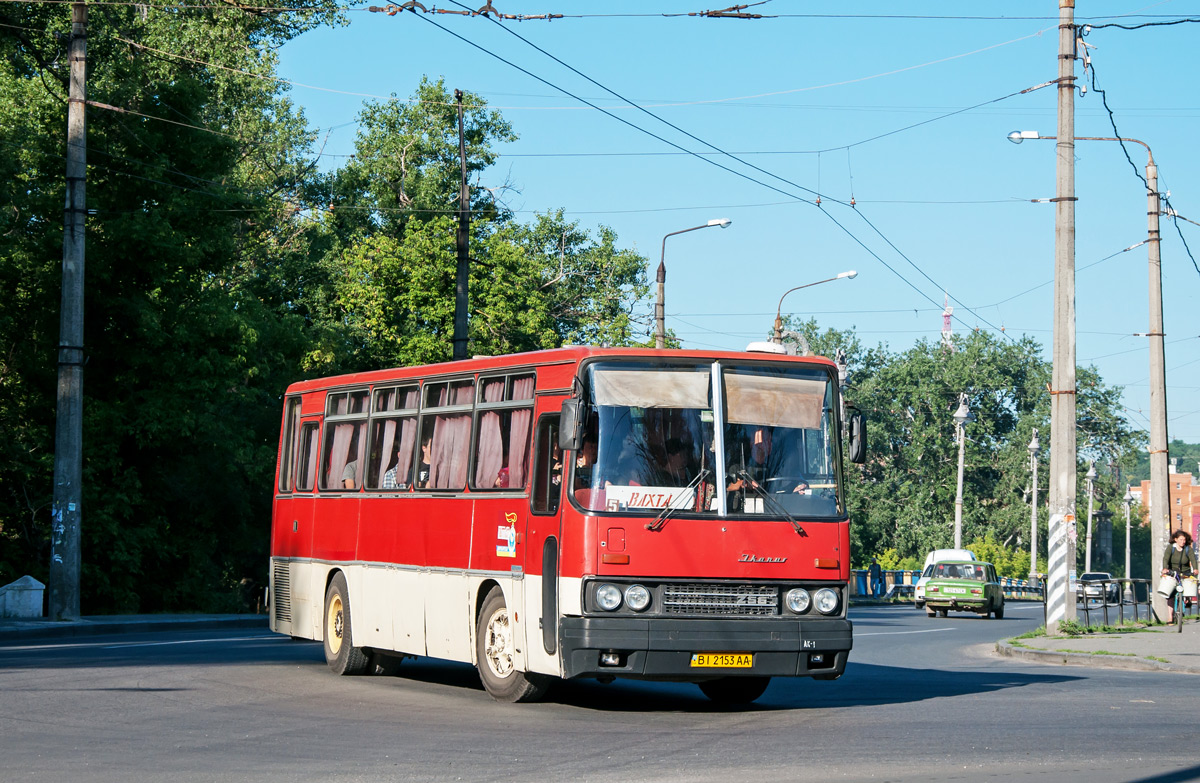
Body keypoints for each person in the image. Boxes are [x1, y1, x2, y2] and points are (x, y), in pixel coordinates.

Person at [1161, 529, 1197, 620]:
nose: (1183, 542)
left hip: (1185, 571)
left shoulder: (1188, 549)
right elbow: (1166, 558)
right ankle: (1170, 617)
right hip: (1172, 571)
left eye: (1184, 540)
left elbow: (1193, 559)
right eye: (1181, 540)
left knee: (1189, 585)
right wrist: (1165, 568)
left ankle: (1187, 599)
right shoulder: (1171, 548)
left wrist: (1196, 569)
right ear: (1176, 539)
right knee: (1170, 595)